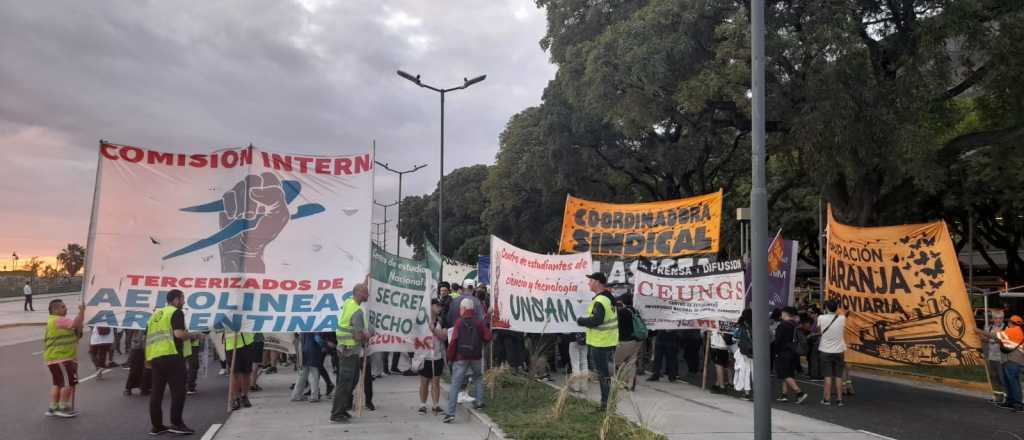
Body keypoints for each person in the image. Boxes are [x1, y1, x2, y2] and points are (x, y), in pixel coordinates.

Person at [145, 289, 195, 435]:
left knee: (156, 393)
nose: (184, 301)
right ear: (175, 300)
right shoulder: (175, 312)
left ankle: (157, 426)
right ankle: (177, 424)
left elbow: (147, 337)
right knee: (178, 391)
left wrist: (147, 359)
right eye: (182, 298)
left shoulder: (155, 315)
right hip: (172, 354)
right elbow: (179, 334)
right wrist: (193, 335)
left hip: (155, 356)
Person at [443, 299, 492, 423]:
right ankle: (479, 402)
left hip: (461, 357)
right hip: (476, 356)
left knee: (455, 384)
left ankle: (450, 413)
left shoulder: (459, 323)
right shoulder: (479, 322)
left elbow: (453, 342)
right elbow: (487, 337)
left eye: (460, 308)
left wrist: (450, 357)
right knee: (478, 378)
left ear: (463, 308)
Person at [576, 272, 618, 411]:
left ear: (598, 282)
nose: (588, 283)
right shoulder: (607, 298)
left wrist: (581, 321)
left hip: (600, 342)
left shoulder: (600, 300)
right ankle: (607, 402)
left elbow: (597, 320)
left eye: (591, 280)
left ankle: (605, 405)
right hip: (607, 340)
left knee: (603, 374)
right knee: (604, 374)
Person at [330, 281, 371, 423]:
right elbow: (358, 335)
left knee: (351, 380)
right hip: (350, 351)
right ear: (359, 293)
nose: (368, 294)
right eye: (365, 292)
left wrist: (365, 280)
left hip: (344, 349)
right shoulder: (357, 311)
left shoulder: (349, 303)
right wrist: (368, 334)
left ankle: (342, 408)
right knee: (345, 383)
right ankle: (336, 413)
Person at [43, 299, 84, 418]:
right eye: (63, 307)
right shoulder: (59, 320)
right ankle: (62, 408)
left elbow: (77, 333)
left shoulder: (52, 321)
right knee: (68, 384)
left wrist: (79, 325)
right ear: (55, 310)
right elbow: (75, 324)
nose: (66, 309)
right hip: (62, 358)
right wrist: (81, 311)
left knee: (58, 383)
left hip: (53, 358)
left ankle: (53, 407)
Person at [981, 314, 1024, 412]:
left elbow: (995, 335)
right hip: (1009, 360)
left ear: (1011, 322)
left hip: (1012, 360)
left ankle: (1018, 404)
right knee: (1009, 381)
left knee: (1013, 382)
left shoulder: (1013, 330)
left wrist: (978, 331)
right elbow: (1002, 340)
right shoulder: (1016, 331)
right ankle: (1010, 401)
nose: (1007, 323)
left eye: (1009, 321)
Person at [773, 306, 808, 404]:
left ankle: (799, 393)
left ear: (786, 313)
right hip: (794, 352)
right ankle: (784, 394)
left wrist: (775, 352)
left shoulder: (782, 325)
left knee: (783, 373)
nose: (781, 314)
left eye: (783, 313)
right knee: (788, 373)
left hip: (783, 352)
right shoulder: (795, 324)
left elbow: (778, 340)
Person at [419, 299, 447, 415]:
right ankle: (422, 405)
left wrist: (434, 330)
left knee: (436, 381)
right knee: (424, 381)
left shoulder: (441, 320)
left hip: (437, 356)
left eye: (440, 306)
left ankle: (436, 405)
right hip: (425, 356)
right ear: (430, 306)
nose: (439, 308)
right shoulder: (422, 320)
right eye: (437, 305)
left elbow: (444, 337)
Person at [817, 300, 847, 406]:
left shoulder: (821, 318)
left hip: (825, 350)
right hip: (839, 350)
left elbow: (819, 329)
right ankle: (839, 400)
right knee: (838, 376)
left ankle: (827, 399)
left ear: (826, 308)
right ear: (837, 308)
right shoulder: (842, 318)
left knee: (827, 376)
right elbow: (844, 313)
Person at [613, 293, 641, 390]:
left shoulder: (622, 312)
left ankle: (622, 382)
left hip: (624, 341)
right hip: (636, 341)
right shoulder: (635, 311)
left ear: (622, 301)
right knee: (631, 362)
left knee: (618, 362)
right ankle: (630, 383)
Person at [979, 309, 1007, 404]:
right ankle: (997, 397)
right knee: (994, 378)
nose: (998, 320)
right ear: (992, 319)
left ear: (1003, 318)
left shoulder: (1006, 328)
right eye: (996, 318)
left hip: (1002, 358)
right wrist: (985, 338)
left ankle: (1006, 398)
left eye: (1000, 318)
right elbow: (983, 339)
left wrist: (991, 339)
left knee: (1002, 378)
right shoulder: (988, 328)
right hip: (991, 357)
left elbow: (1003, 341)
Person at [292, 332, 325, 402]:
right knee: (314, 375)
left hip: (303, 352)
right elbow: (318, 339)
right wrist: (324, 346)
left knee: (301, 375)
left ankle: (296, 395)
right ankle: (314, 396)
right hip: (314, 352)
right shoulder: (316, 327)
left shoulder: (303, 327)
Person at [226, 332, 255, 411]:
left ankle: (244, 396)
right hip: (231, 344)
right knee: (235, 373)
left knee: (247, 372)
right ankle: (235, 399)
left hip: (247, 343)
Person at [732, 309, 754, 400]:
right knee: (754, 372)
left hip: (744, 352)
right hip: (756, 352)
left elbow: (734, 338)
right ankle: (757, 391)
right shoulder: (757, 324)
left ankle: (747, 392)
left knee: (744, 372)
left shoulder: (742, 325)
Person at [124, 328, 151, 396]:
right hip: (138, 348)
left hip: (146, 347)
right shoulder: (138, 323)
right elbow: (130, 335)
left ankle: (144, 388)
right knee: (135, 369)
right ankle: (128, 388)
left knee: (146, 369)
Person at [708, 329, 733, 394]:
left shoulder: (713, 325)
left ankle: (722, 386)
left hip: (717, 347)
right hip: (724, 347)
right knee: (724, 366)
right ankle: (718, 383)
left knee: (719, 367)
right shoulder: (724, 324)